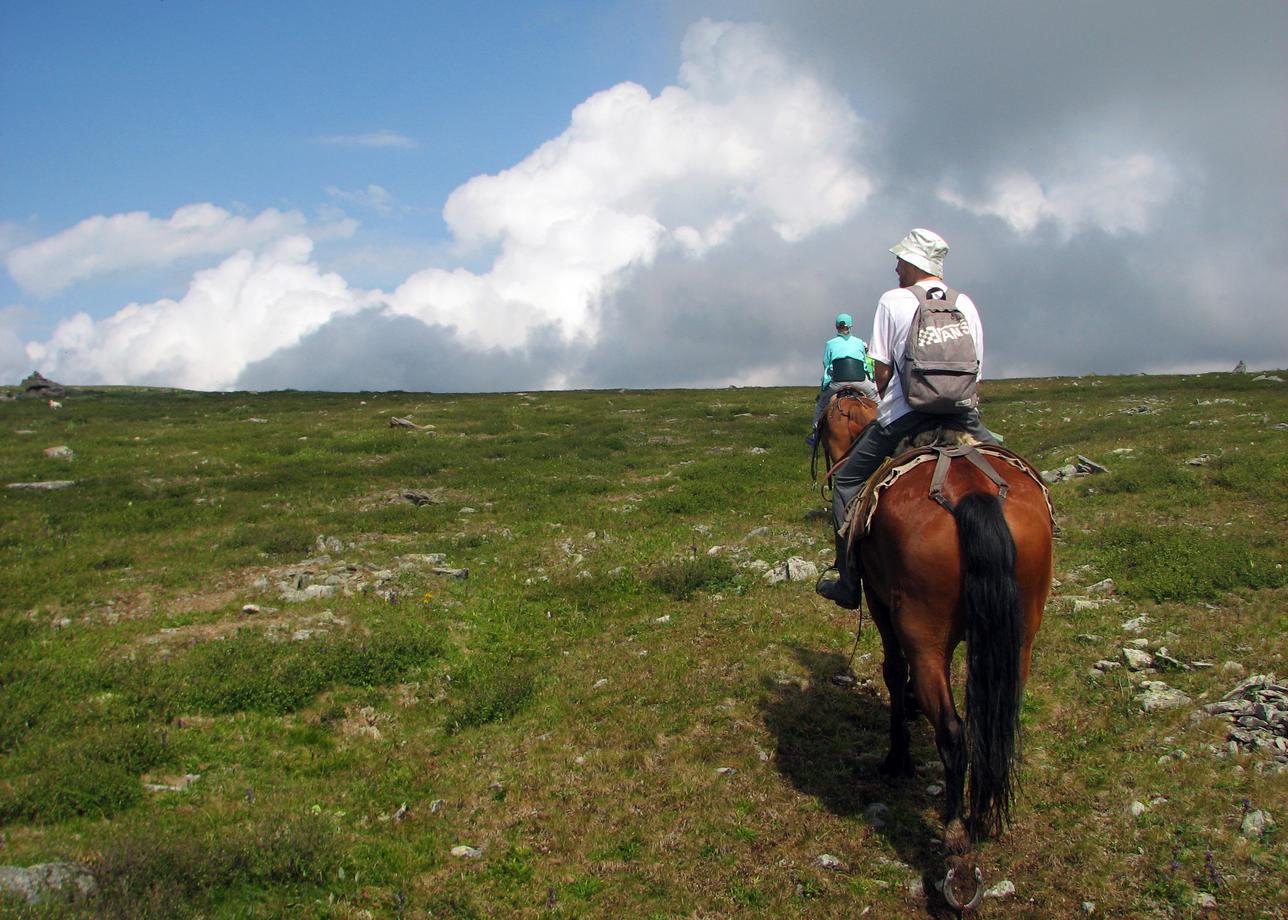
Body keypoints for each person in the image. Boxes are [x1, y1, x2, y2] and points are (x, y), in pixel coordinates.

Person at [817, 228, 998, 608]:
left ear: (914, 263)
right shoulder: (965, 303)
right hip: (963, 416)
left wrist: (888, 401)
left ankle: (848, 580)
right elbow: (977, 373)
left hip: (905, 414)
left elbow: (880, 369)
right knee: (1012, 470)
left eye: (900, 260)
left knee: (847, 481)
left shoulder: (893, 300)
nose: (895, 267)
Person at [806, 313, 877, 448]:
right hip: (860, 381)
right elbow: (865, 362)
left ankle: (815, 434)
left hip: (838, 382)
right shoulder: (859, 342)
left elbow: (826, 363)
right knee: (877, 399)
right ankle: (885, 426)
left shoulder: (830, 344)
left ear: (836, 327)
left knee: (821, 405)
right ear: (850, 326)